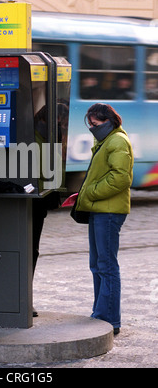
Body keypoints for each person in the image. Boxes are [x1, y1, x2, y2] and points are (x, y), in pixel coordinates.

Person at [75, 103, 134, 335]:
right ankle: (100, 314)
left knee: (106, 265)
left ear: (107, 120)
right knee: (97, 264)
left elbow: (121, 178)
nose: (92, 128)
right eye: (90, 124)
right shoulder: (106, 140)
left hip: (109, 212)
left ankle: (109, 319)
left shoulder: (118, 141)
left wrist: (90, 192)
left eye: (95, 124)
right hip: (99, 209)